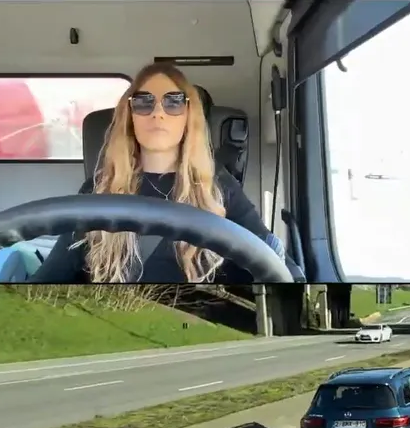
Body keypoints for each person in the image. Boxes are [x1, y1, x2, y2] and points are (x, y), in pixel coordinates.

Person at [30, 62, 285, 283]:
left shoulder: (218, 188)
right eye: (144, 102)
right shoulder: (97, 191)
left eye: (173, 102)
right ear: (130, 116)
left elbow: (269, 258)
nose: (158, 113)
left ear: (188, 116)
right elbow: (51, 275)